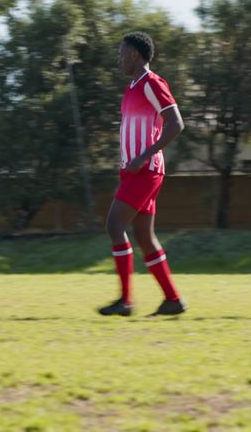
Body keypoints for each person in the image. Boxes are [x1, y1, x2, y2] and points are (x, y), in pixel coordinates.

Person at [99, 32, 187, 317]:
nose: (119, 59)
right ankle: (172, 300)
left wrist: (143, 156)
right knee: (144, 236)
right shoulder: (131, 88)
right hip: (134, 172)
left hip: (145, 171)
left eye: (121, 54)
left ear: (135, 54)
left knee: (114, 226)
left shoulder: (152, 82)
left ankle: (125, 301)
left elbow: (176, 123)